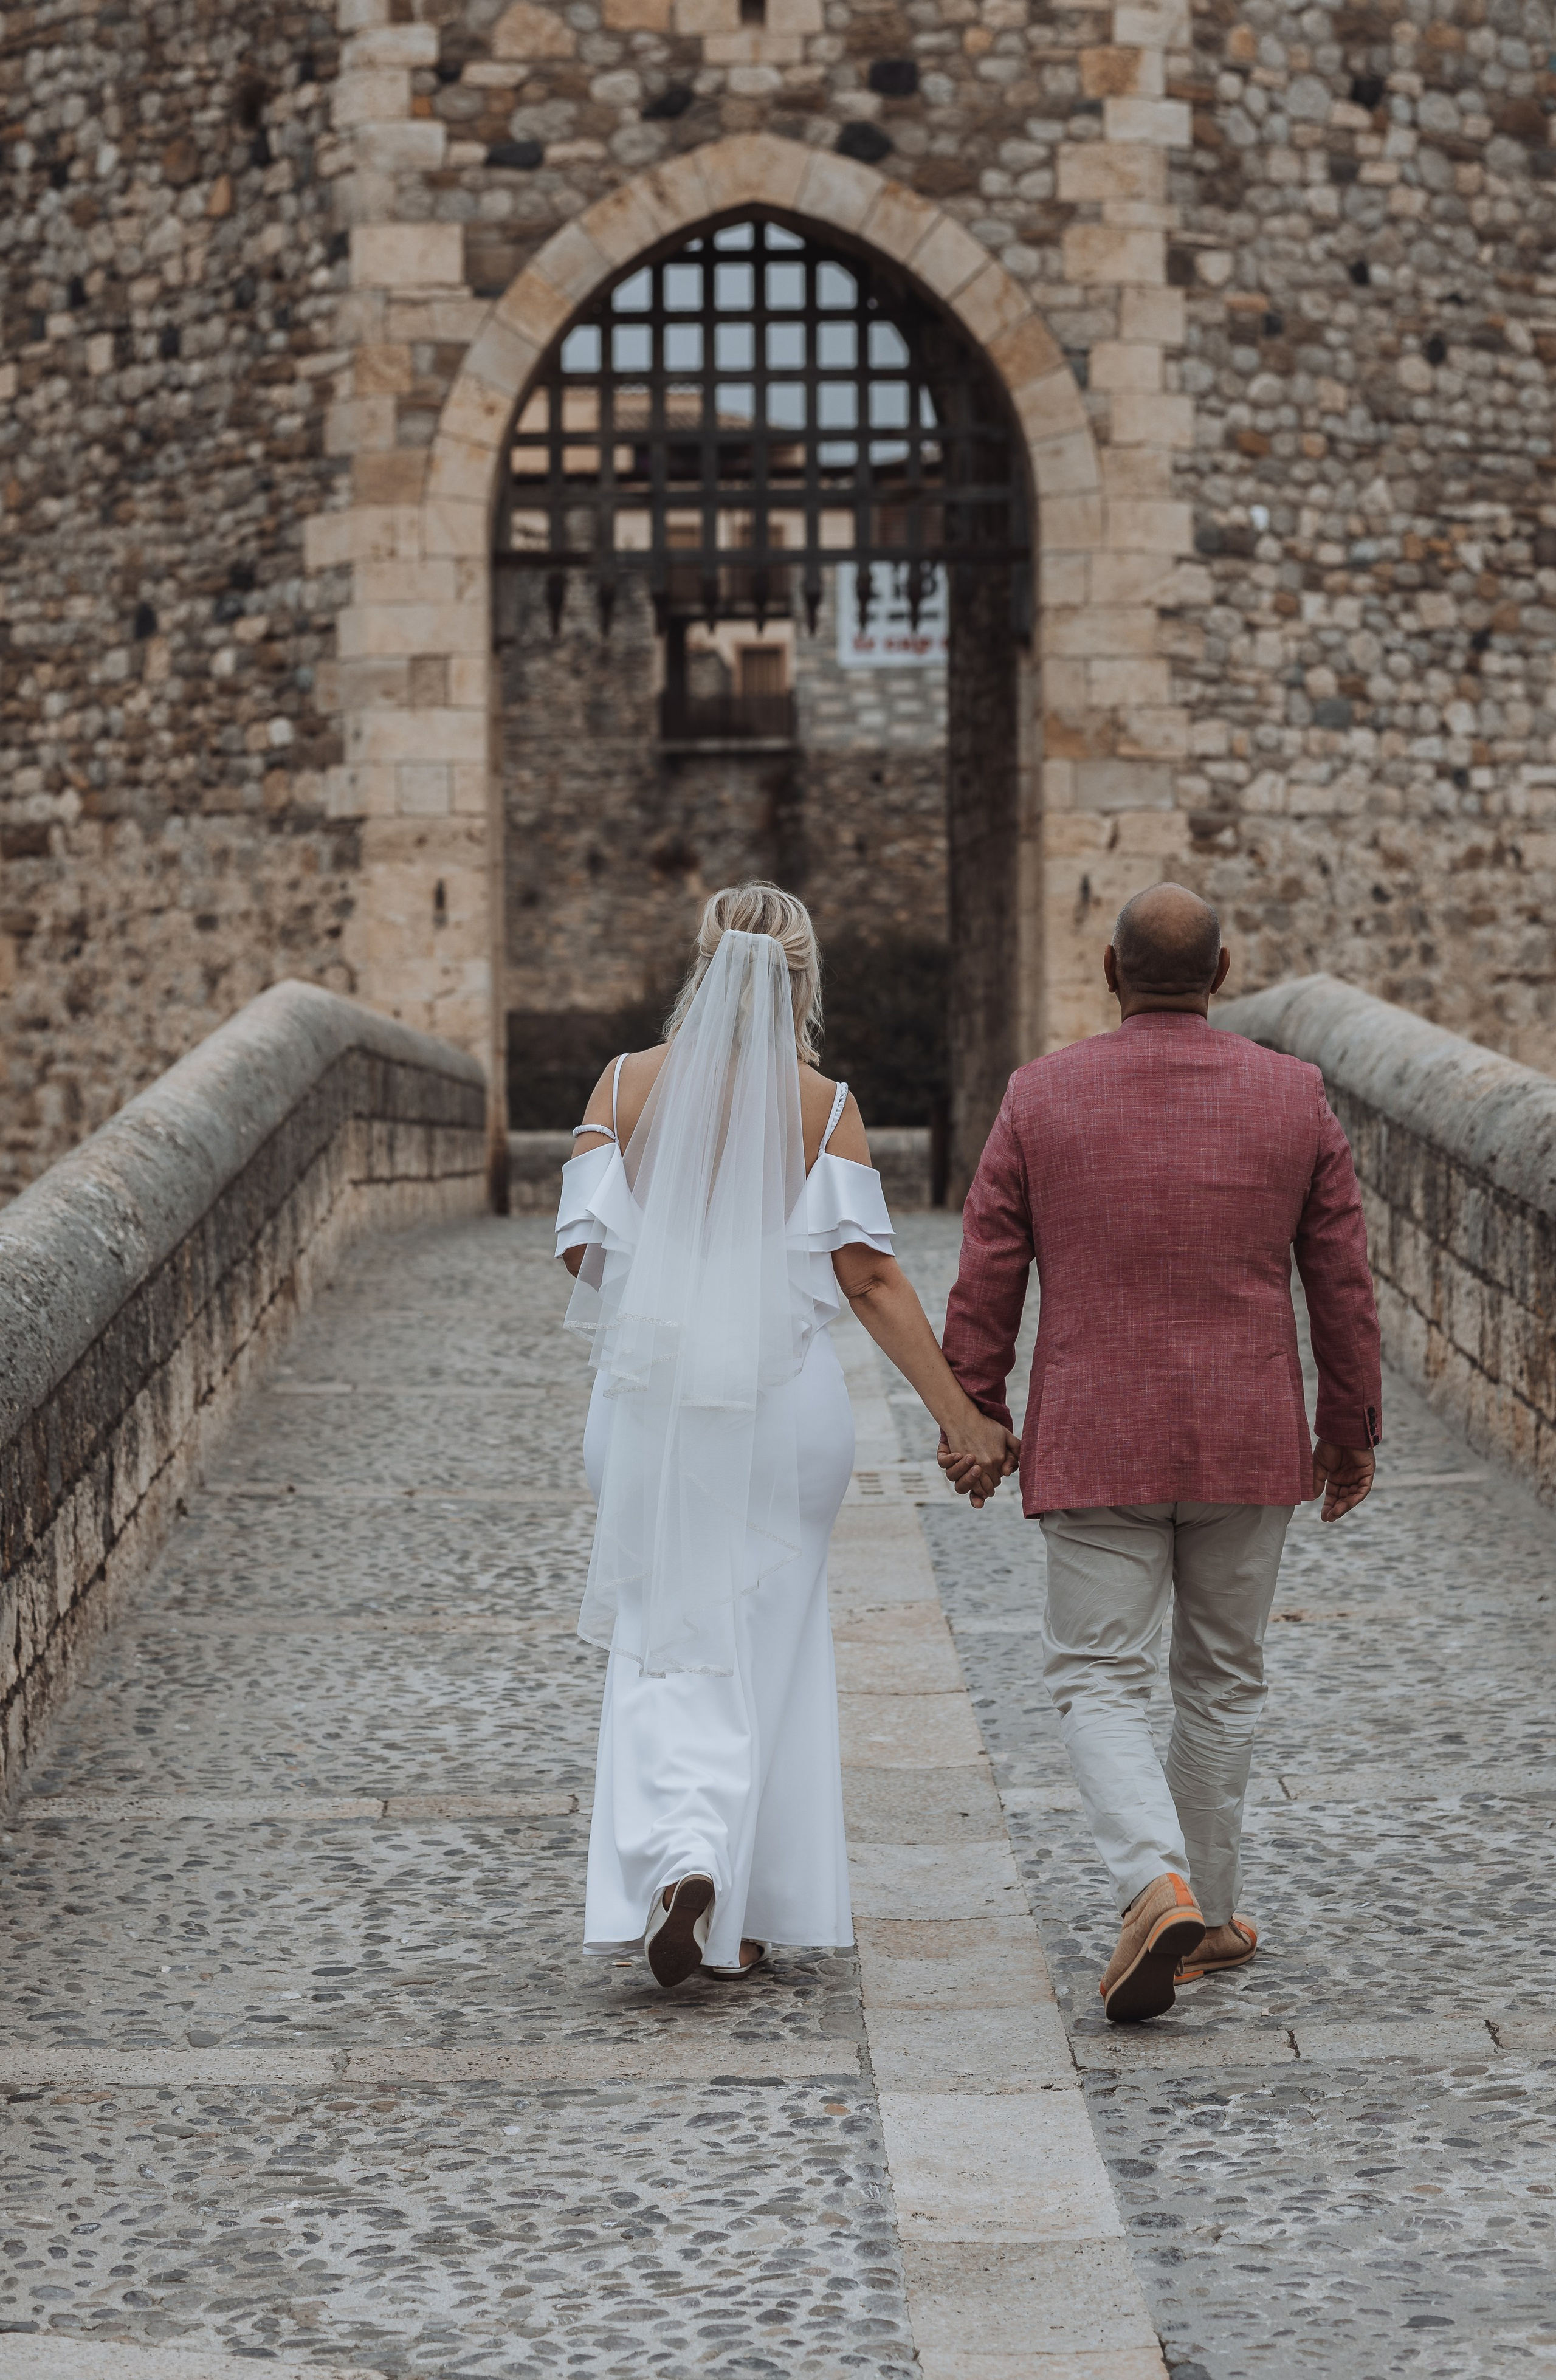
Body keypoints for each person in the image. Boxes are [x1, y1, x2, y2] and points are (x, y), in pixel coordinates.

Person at [556, 883, 1017, 1988]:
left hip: (650, 1399)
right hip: (780, 1408)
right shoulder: (825, 1104)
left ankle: (683, 1854)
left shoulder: (620, 1087)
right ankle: (737, 1908)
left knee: (662, 1631)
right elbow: (866, 1276)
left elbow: (583, 1253)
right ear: (802, 975)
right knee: (769, 1642)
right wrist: (963, 1419)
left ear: (701, 966)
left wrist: (682, 1272)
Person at [938, 883, 1382, 2024]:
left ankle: (1154, 1883)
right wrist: (1350, 1427)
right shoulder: (1294, 1097)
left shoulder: (1042, 1097)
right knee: (1222, 1678)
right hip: (1246, 1438)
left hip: (1099, 1435)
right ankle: (1209, 1914)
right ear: (1224, 970)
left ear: (1107, 968)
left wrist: (972, 1408)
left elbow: (988, 1267)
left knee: (1097, 1674)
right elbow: (1341, 1280)